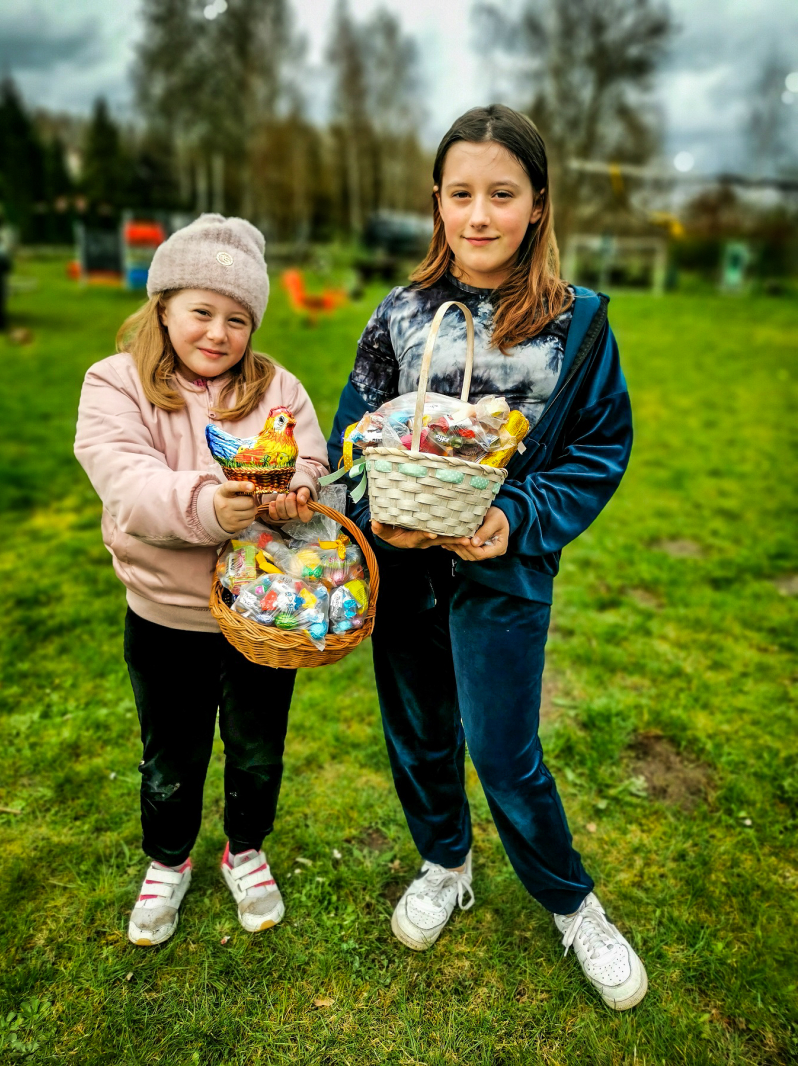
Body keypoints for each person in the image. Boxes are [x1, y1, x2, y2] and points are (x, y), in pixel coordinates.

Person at [327, 106, 645, 1010]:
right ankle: (444, 861)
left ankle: (571, 902)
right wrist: (373, 508)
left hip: (504, 571)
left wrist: (516, 515)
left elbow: (598, 448)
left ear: (537, 205)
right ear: (436, 202)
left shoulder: (576, 324)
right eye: (461, 194)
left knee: (505, 749)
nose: (479, 215)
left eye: (501, 195)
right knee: (422, 730)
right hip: (404, 573)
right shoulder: (399, 313)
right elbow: (353, 431)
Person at [75, 214, 329, 946]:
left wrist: (298, 492)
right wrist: (210, 506)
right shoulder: (114, 383)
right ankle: (169, 859)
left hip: (261, 614)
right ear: (162, 305)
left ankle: (245, 849)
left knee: (257, 748)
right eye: (202, 311)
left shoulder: (277, 387)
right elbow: (127, 482)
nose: (218, 333)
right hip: (164, 619)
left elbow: (308, 459)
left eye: (238, 319)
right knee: (172, 754)